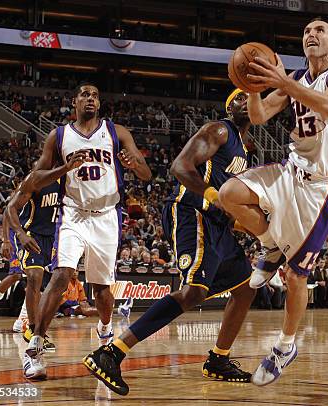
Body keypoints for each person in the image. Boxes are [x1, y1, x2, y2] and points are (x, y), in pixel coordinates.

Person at [83, 89, 257, 396]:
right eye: (240, 97)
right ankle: (110, 353)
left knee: (247, 287)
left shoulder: (248, 150)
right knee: (193, 292)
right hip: (192, 211)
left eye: (253, 97)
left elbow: (232, 206)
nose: (248, 100)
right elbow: (179, 167)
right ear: (230, 108)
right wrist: (214, 198)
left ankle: (219, 358)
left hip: (218, 225)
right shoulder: (219, 130)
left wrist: (252, 226)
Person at [219, 16, 328, 386]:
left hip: (323, 187)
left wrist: (281, 81)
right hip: (291, 169)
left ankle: (285, 346)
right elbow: (259, 115)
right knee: (228, 193)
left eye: (319, 31)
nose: (310, 35)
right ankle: (269, 245)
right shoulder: (295, 78)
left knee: (297, 276)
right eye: (306, 31)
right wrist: (251, 84)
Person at [23, 82, 151, 380]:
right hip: (73, 214)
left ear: (99, 102)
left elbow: (146, 173)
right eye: (84, 95)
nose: (90, 99)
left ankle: (105, 331)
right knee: (61, 275)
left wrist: (134, 165)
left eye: (95, 95)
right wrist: (62, 169)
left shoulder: (117, 132)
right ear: (74, 102)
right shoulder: (59, 136)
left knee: (102, 290)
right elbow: (35, 180)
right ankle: (35, 346)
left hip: (107, 216)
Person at [0, 154, 86, 337]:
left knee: (47, 281)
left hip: (50, 236)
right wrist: (6, 240)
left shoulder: (66, 184)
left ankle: (23, 318)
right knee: (20, 274)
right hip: (21, 231)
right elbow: (8, 211)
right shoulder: (33, 181)